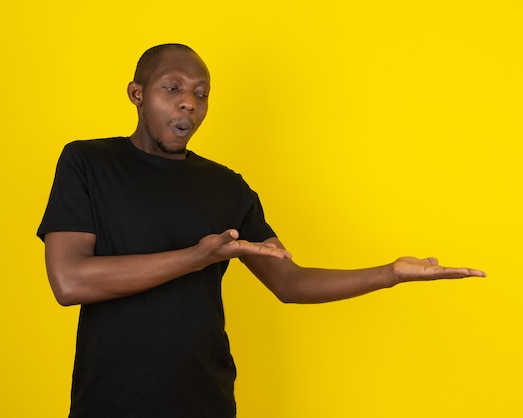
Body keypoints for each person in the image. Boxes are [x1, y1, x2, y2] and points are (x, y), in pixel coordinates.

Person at [38, 43, 486, 418]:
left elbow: (289, 281)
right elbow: (70, 280)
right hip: (112, 403)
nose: (188, 103)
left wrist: (390, 273)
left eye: (201, 93)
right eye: (172, 88)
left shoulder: (226, 187)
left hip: (207, 402)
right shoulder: (88, 163)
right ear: (137, 93)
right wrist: (196, 257)